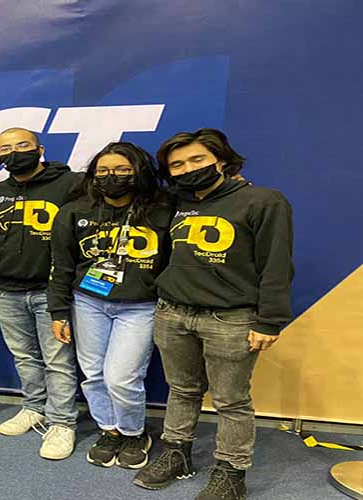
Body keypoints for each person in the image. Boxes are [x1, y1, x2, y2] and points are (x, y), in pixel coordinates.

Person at [133, 129, 294, 500]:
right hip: (173, 314)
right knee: (182, 390)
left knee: (231, 400)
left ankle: (231, 472)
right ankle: (177, 453)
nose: (188, 169)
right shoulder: (173, 203)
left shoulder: (263, 201)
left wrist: (270, 320)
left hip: (231, 319)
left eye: (198, 160)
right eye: (177, 165)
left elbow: (277, 265)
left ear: (220, 160)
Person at [48, 142, 172, 469]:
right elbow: (61, 266)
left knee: (121, 377)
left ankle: (134, 432)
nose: (110, 177)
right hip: (88, 301)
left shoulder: (163, 209)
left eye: (121, 170)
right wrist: (58, 311)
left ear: (139, 172)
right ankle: (109, 429)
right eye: (102, 171)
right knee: (93, 374)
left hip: (140, 305)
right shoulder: (75, 211)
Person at [0, 127, 82, 459]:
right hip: (7, 290)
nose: (14, 152)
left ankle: (63, 423)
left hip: (50, 292)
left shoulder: (71, 184)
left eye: (22, 145)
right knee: (25, 357)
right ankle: (34, 407)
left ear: (40, 148)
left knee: (58, 360)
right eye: (5, 148)